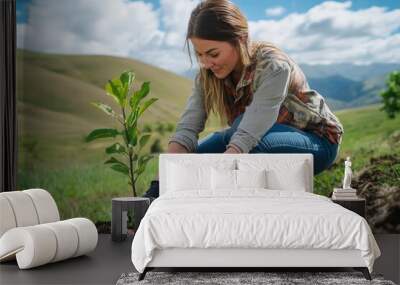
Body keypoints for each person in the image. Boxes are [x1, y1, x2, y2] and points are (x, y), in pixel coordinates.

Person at [143, 0, 343, 199]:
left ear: (241, 39)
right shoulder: (207, 74)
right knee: (197, 157)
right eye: (200, 54)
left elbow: (247, 136)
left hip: (316, 141)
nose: (205, 63)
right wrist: (161, 183)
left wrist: (216, 177)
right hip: (251, 134)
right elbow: (187, 130)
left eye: (213, 53)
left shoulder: (274, 66)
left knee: (245, 147)